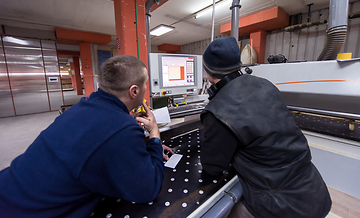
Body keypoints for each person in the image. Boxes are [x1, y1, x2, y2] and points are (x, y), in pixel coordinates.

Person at [0, 55, 173, 217]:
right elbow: (148, 189)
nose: (146, 89)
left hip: (9, 188)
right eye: (145, 84)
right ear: (134, 91)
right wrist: (154, 134)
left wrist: (133, 140)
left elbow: (97, 142)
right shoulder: (121, 128)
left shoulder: (84, 105)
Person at [200, 37, 332, 218]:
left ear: (208, 72)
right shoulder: (266, 85)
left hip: (277, 203)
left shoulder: (218, 110)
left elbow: (212, 167)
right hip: (313, 190)